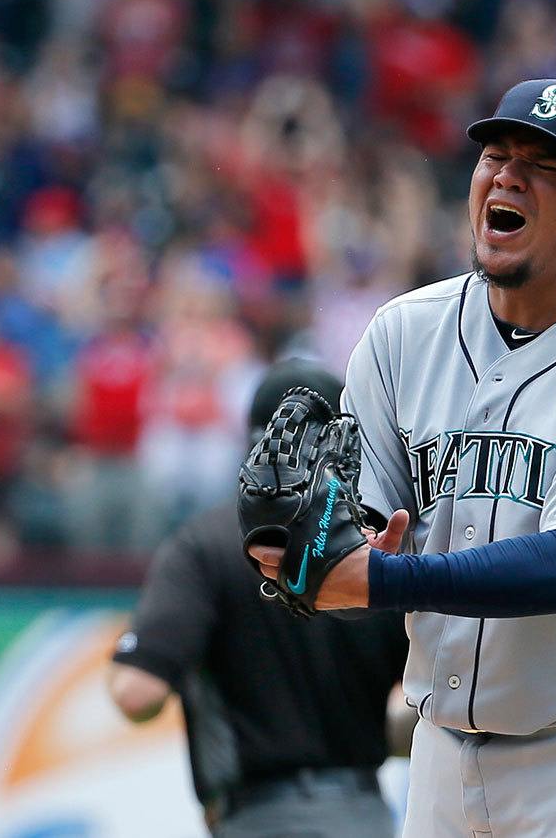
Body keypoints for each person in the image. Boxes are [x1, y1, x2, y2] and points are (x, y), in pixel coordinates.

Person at [250, 79, 556, 837]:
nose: (508, 177)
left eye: (547, 167)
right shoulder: (405, 332)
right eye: (496, 156)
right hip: (441, 754)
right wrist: (298, 560)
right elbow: (359, 527)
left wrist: (382, 579)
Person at [109, 358, 411, 837]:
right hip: (364, 815)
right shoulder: (380, 548)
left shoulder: (205, 544)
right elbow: (433, 709)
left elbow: (136, 694)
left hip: (259, 818)